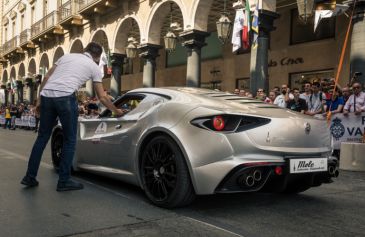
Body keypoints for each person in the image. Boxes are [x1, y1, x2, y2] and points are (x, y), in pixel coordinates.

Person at [21, 42, 125, 191]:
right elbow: (102, 97)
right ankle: (64, 180)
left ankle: (29, 177)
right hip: (65, 97)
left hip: (47, 95)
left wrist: (39, 99)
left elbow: (47, 76)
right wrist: (116, 111)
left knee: (42, 137)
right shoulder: (94, 67)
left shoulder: (66, 57)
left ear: (85, 51)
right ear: (97, 56)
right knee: (70, 140)